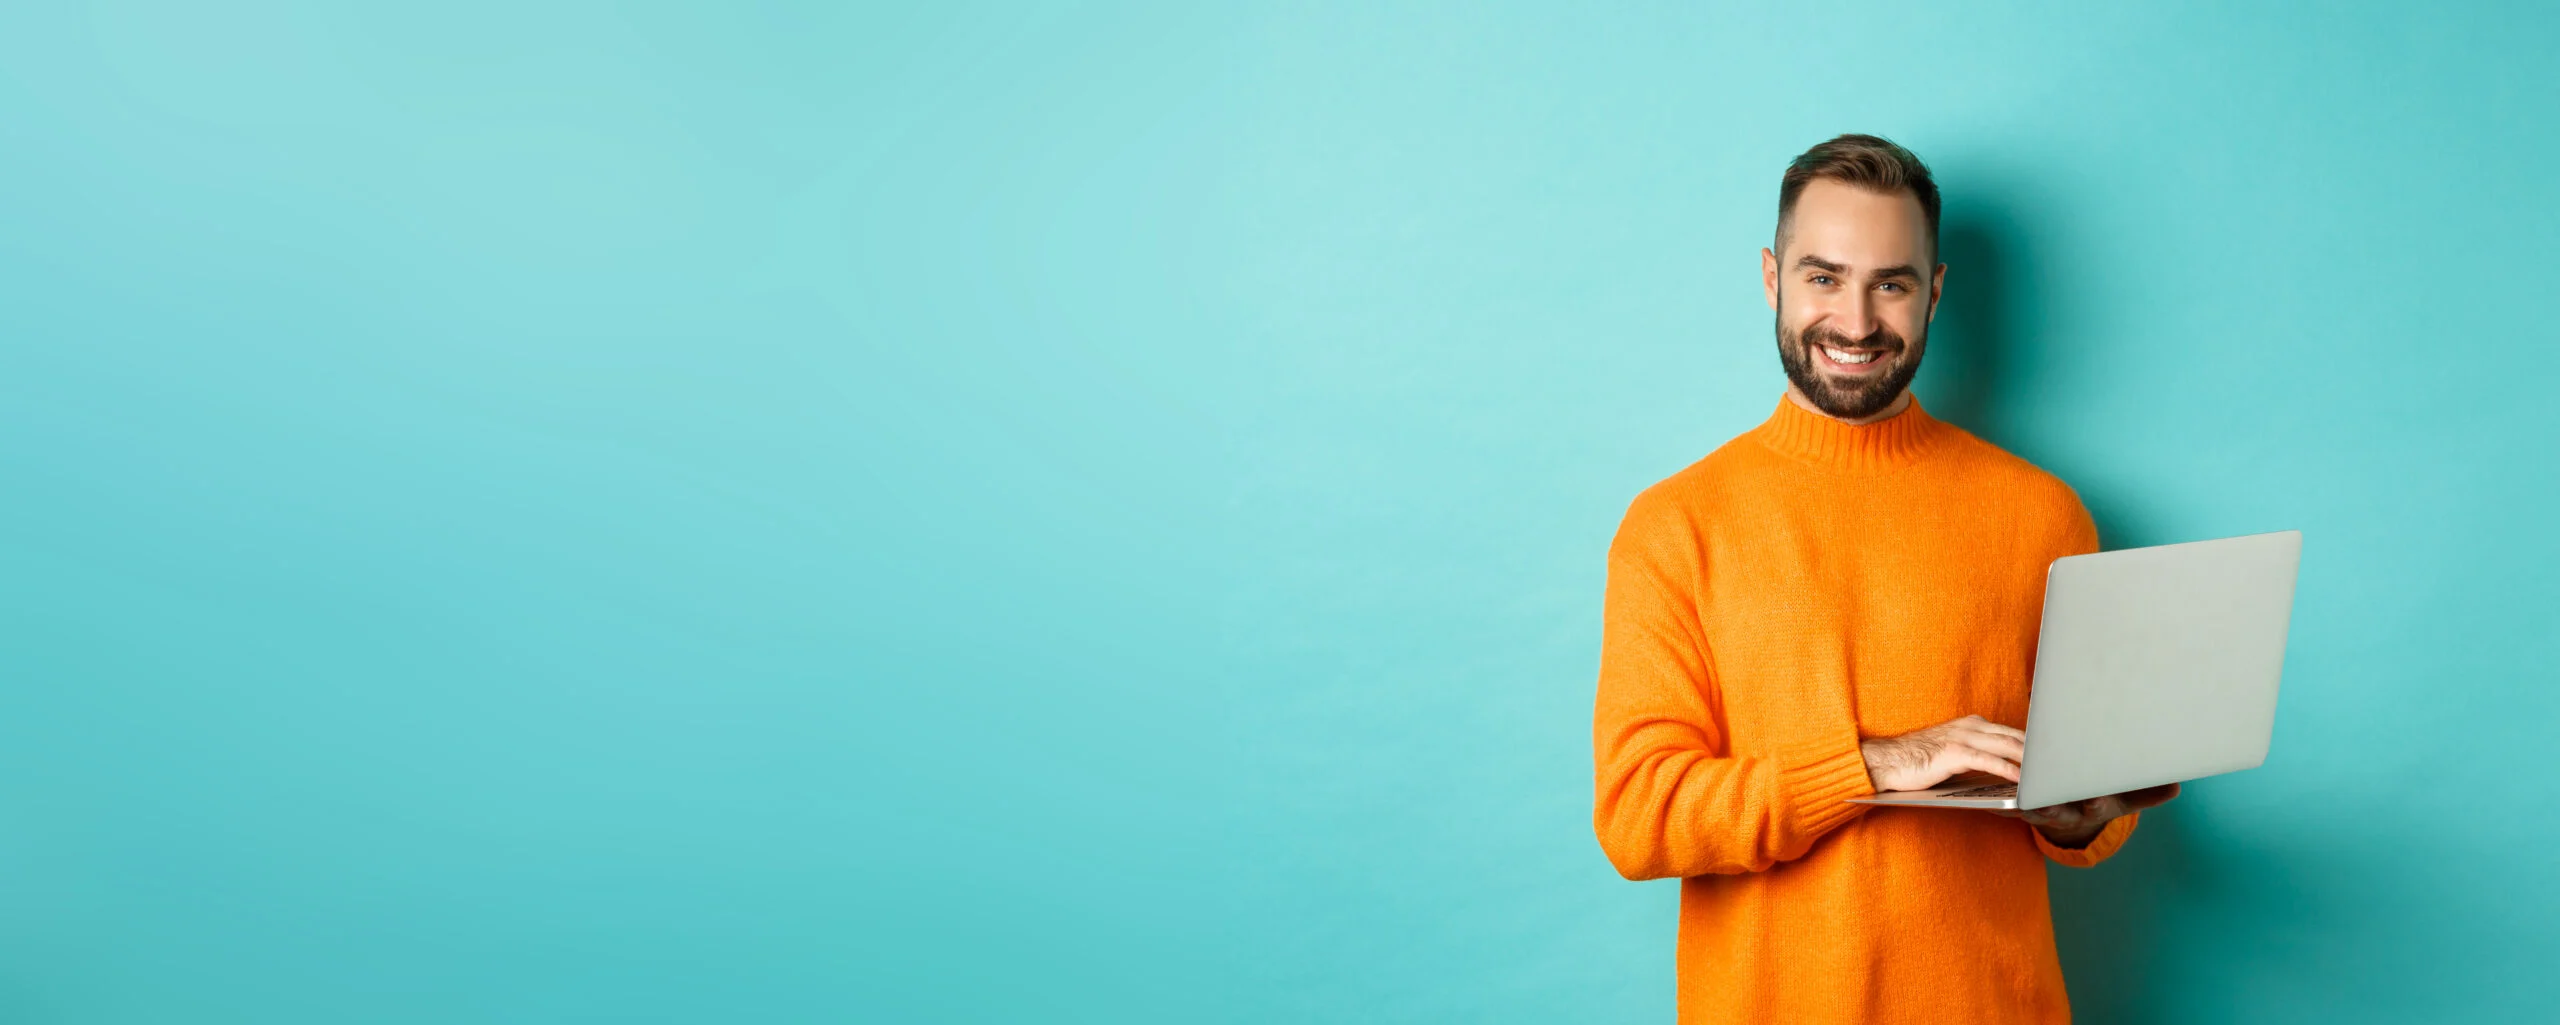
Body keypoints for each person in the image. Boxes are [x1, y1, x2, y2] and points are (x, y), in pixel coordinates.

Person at [1589, 133, 2180, 1024]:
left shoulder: (2046, 517)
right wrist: (1876, 765)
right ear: (1770, 279)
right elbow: (1639, 814)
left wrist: (2081, 815)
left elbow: (2099, 812)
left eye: (1891, 283)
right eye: (1823, 277)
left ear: (1935, 292)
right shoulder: (1676, 526)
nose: (1857, 323)